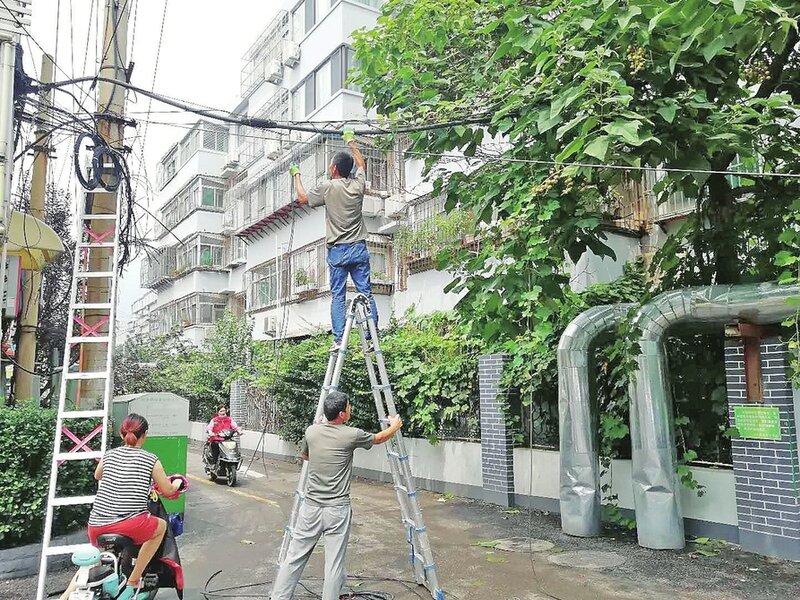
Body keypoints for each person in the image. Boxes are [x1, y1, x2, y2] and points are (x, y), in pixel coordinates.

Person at [270, 391, 402, 600]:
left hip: (311, 508)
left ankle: (278, 597)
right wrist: (395, 425)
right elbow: (378, 438)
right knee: (333, 563)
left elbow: (305, 455)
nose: (350, 410)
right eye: (348, 407)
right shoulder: (351, 434)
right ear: (341, 413)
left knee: (294, 557)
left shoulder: (311, 431)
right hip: (336, 510)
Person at [60, 414, 181, 600]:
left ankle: (65, 596)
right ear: (144, 435)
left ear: (121, 433)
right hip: (131, 525)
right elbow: (167, 490)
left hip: (97, 525)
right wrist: (178, 483)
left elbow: (97, 476)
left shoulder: (109, 455)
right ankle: (133, 580)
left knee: (93, 564)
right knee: (161, 527)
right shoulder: (151, 459)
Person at [290, 129, 380, 352]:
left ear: (333, 168)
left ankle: (340, 340)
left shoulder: (328, 187)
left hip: (338, 251)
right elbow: (361, 164)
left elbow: (302, 198)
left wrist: (296, 175)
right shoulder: (358, 185)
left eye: (331, 165)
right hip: (359, 248)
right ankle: (372, 338)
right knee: (366, 294)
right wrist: (351, 141)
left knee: (338, 297)